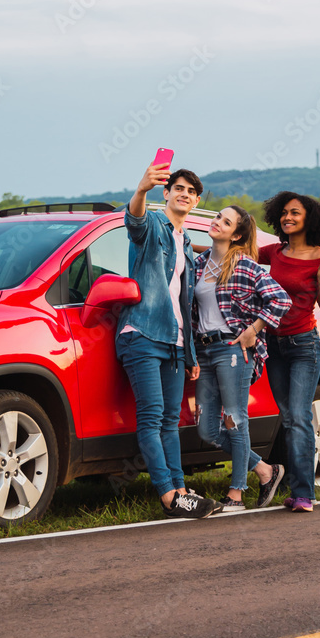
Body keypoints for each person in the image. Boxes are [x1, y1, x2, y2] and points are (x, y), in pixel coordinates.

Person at [115, 161, 221, 519]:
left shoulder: (186, 241)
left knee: (170, 421)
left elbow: (184, 301)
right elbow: (135, 222)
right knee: (152, 417)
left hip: (174, 343)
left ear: (196, 200)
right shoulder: (156, 225)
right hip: (143, 333)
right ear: (167, 193)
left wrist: (189, 353)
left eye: (191, 192)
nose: (184, 195)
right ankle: (167, 495)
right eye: (179, 188)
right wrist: (141, 188)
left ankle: (181, 489)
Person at [193, 205, 291, 511]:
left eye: (225, 221)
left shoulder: (244, 266)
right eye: (217, 217)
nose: (216, 222)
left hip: (233, 351)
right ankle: (266, 470)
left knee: (235, 420)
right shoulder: (198, 264)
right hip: (204, 350)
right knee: (207, 429)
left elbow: (280, 298)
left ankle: (236, 494)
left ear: (236, 234)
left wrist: (254, 329)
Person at [256, 191, 320, 513]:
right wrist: (184, 243)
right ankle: (295, 486)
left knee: (301, 416)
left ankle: (304, 494)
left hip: (304, 345)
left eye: (295, 213)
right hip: (274, 346)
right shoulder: (276, 252)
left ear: (309, 220)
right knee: (290, 417)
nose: (287, 218)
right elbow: (239, 252)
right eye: (284, 213)